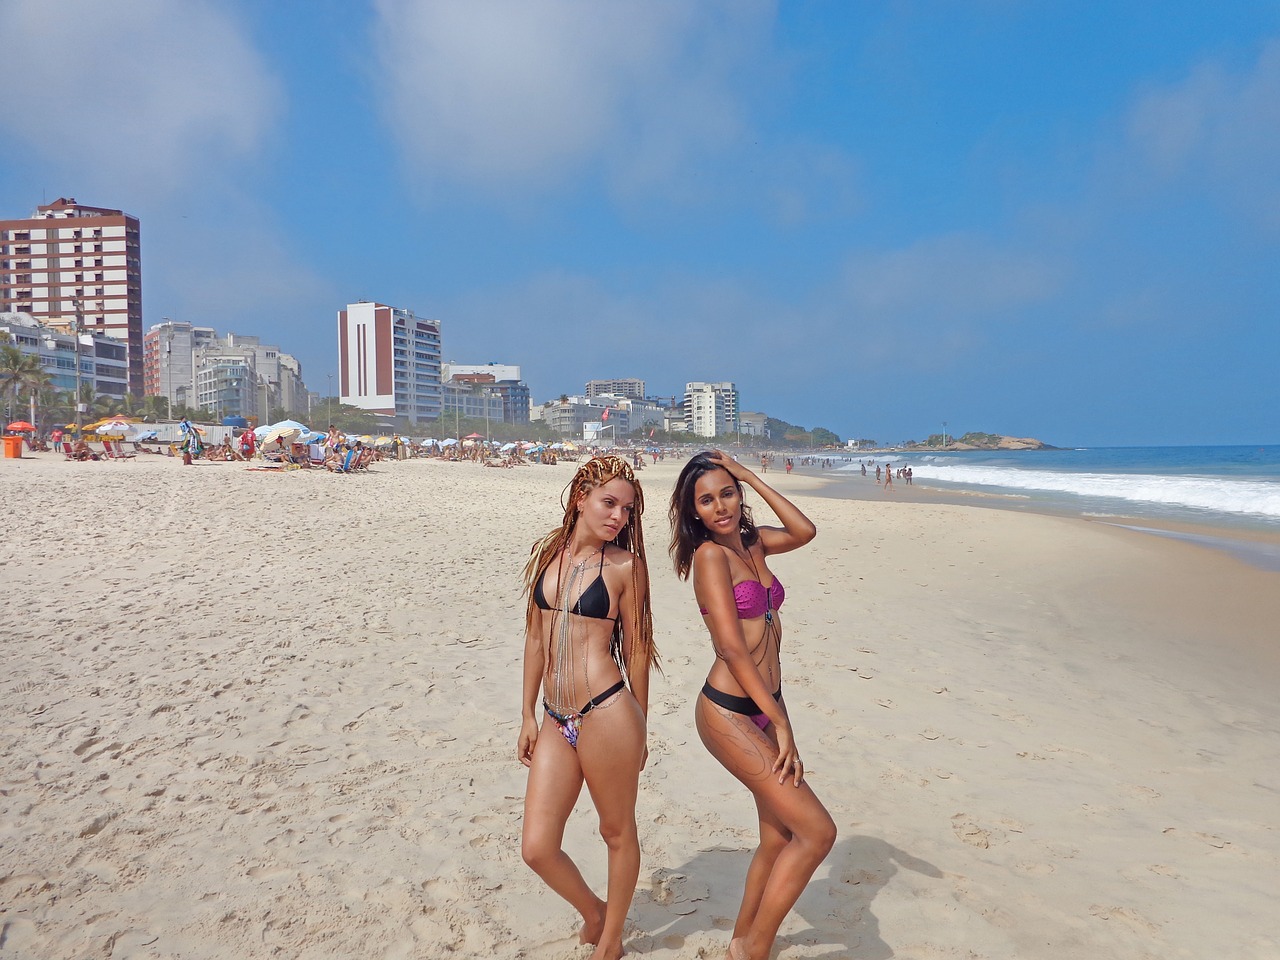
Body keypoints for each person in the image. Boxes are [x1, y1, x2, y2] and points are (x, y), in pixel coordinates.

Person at [669, 452, 835, 960]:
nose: (719, 506)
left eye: (726, 493)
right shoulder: (709, 559)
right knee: (817, 832)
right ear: (692, 511)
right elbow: (731, 648)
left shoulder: (753, 543)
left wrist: (751, 476)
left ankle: (741, 941)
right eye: (706, 500)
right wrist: (781, 721)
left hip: (767, 704)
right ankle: (756, 951)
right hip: (728, 711)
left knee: (778, 836)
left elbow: (805, 531)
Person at [519, 455, 659, 960]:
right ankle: (595, 912)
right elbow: (536, 639)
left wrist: (641, 720)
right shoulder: (547, 555)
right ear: (581, 498)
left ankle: (613, 939)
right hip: (556, 717)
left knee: (616, 831)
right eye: (609, 503)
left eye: (627, 509)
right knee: (537, 847)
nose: (619, 517)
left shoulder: (626, 567)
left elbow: (638, 648)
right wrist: (527, 713)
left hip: (608, 712)